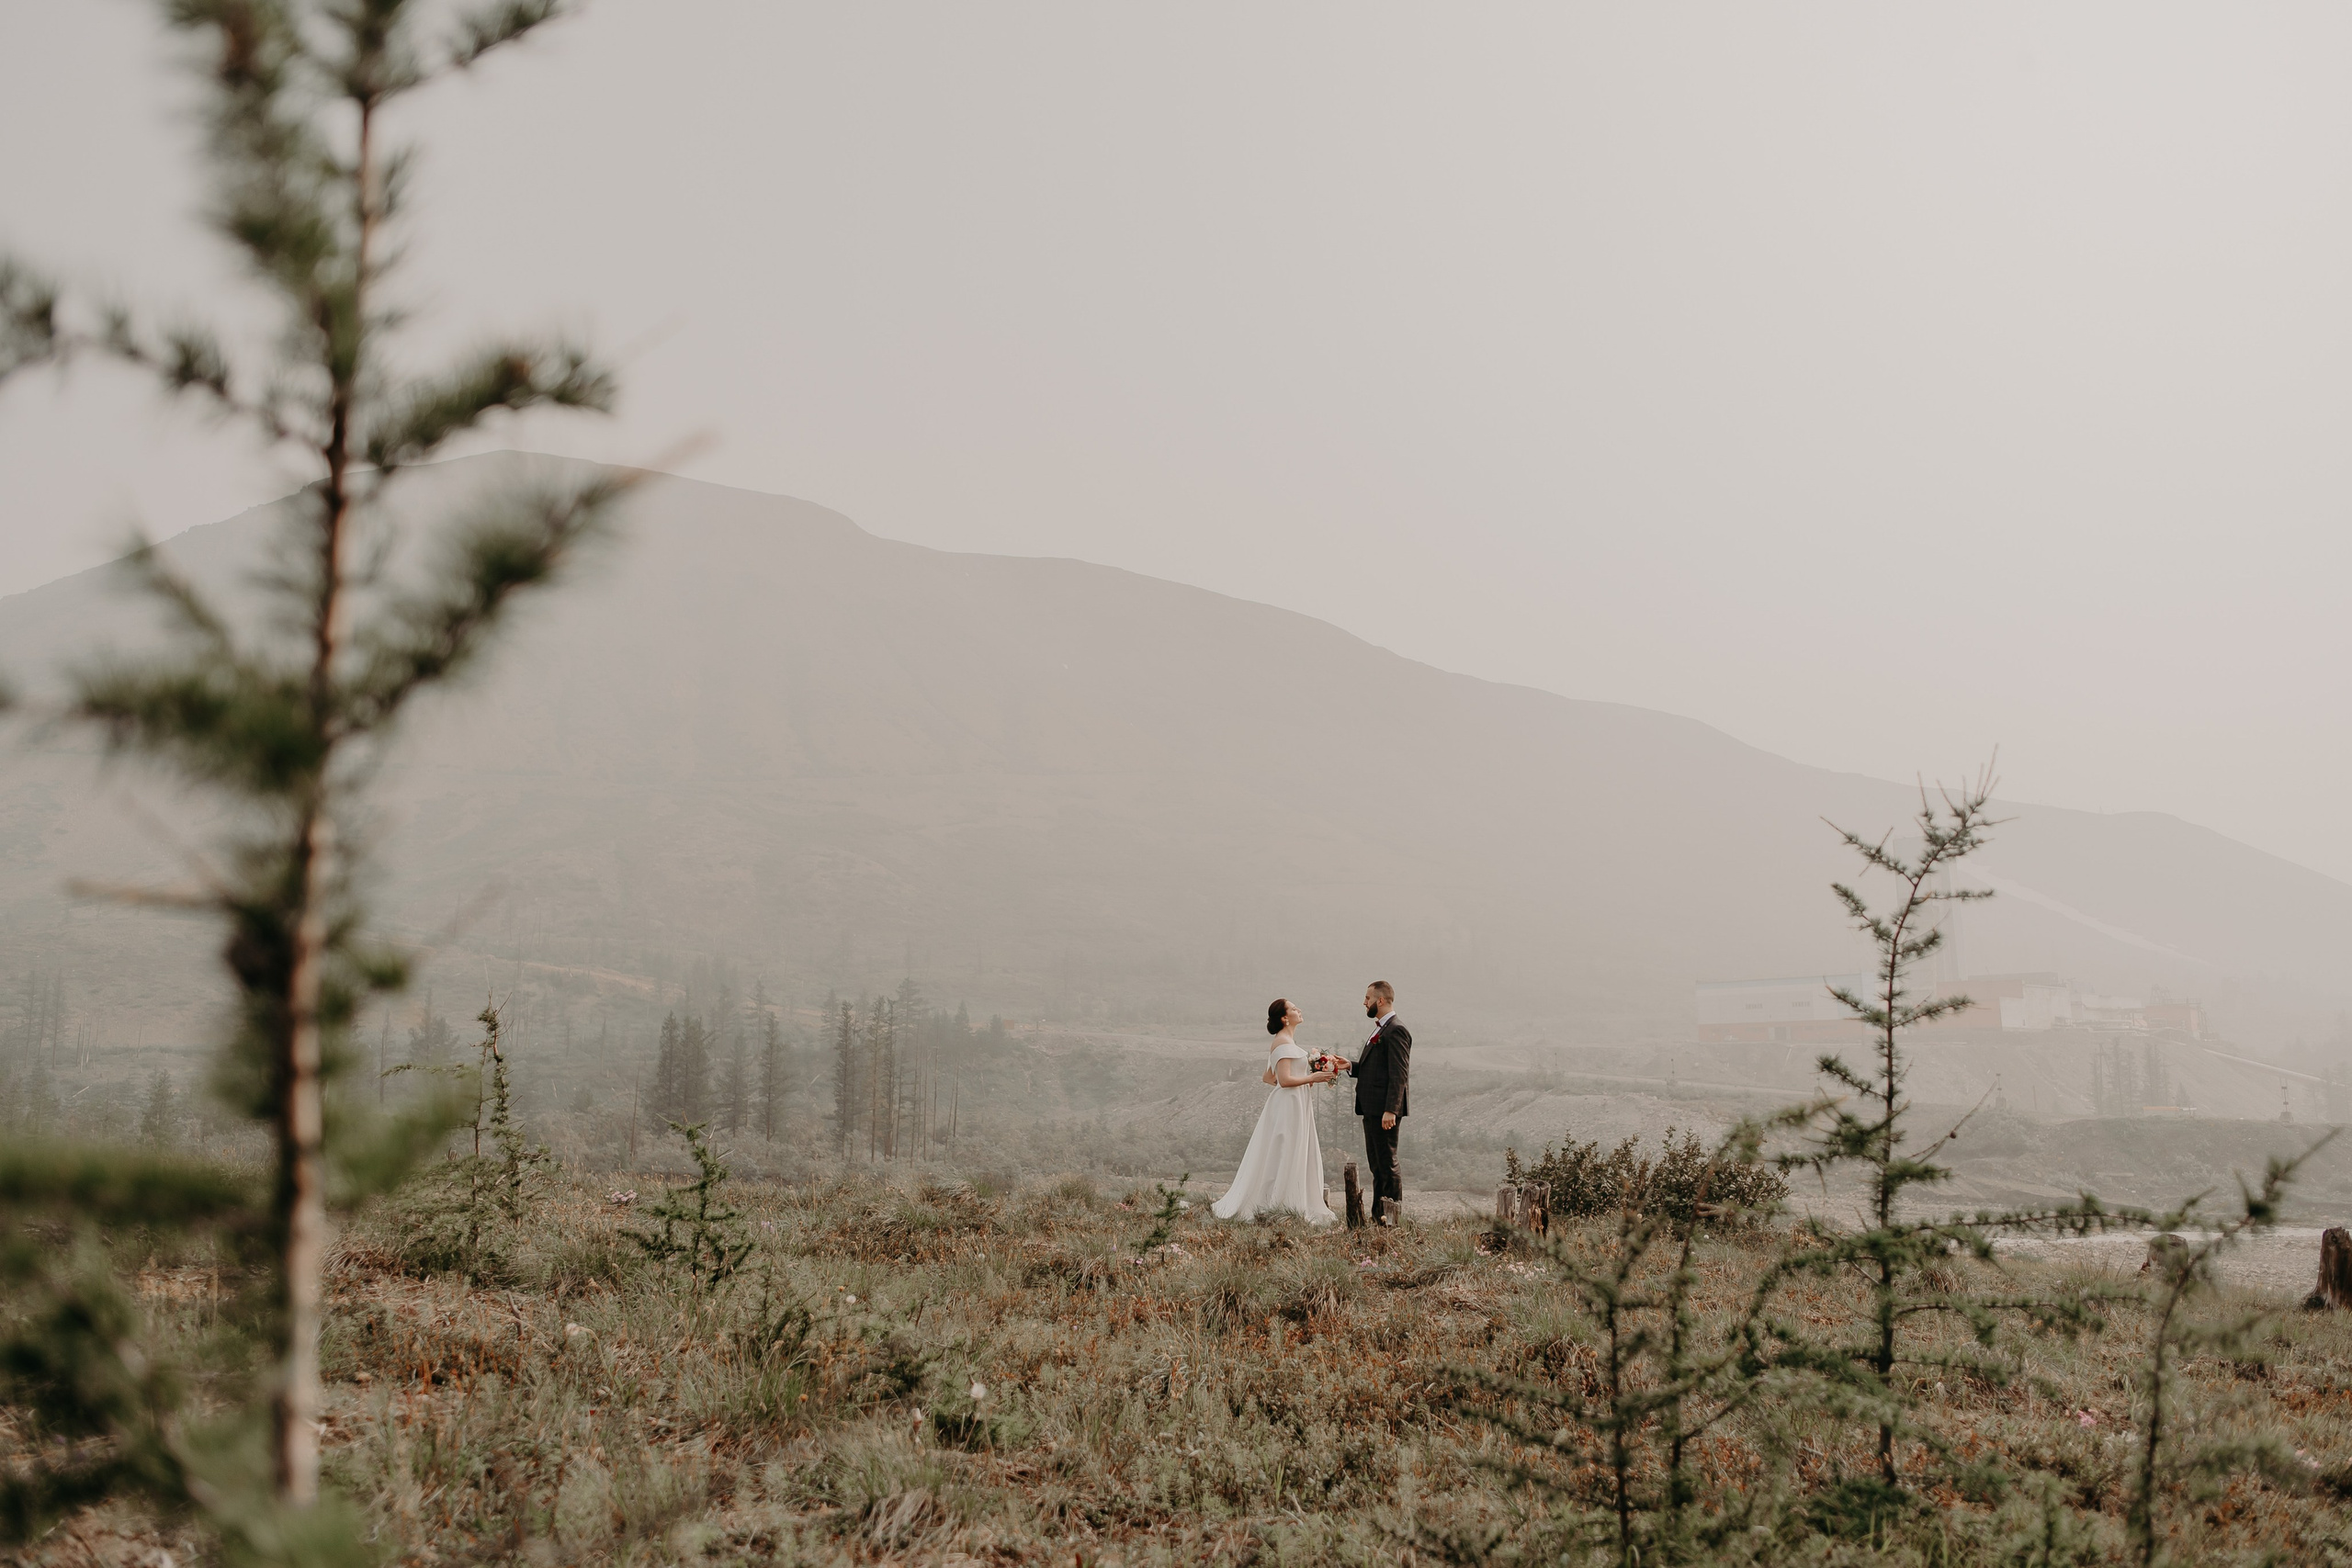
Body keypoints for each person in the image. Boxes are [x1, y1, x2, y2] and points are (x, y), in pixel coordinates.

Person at [1211, 998, 1340, 1224]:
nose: (1299, 1010)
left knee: (1287, 1149)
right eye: (1293, 1008)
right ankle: (1280, 1202)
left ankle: (1287, 1200)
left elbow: (1267, 1077)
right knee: (1286, 1149)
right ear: (1284, 1017)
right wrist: (1311, 1077)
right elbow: (1283, 1079)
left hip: (1292, 1101)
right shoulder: (1283, 1043)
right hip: (1290, 1105)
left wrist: (1302, 1081)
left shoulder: (1284, 1041)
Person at [1327, 980, 1409, 1224]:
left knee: (1387, 1163)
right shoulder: (1380, 1029)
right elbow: (1377, 1069)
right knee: (1377, 1165)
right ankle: (1378, 1216)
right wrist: (1350, 1066)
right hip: (1372, 1109)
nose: (1364, 1002)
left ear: (1380, 1001)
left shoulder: (1396, 1030)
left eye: (1367, 998)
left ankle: (1391, 1218)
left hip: (1384, 1111)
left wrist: (1391, 1110)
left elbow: (1399, 1074)